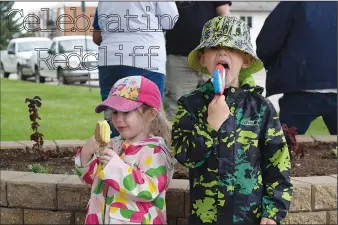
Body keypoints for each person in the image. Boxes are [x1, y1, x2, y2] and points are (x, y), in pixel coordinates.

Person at [171, 16, 293, 225]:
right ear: (202, 59)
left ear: (246, 60)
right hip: (205, 218)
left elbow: (277, 163)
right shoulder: (190, 105)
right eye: (214, 47)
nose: (222, 51)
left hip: (248, 217)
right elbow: (184, 156)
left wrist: (272, 211)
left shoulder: (261, 108)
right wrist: (210, 125)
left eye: (232, 47)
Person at [75, 76, 174, 224]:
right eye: (114, 112)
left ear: (150, 114)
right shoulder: (113, 144)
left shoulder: (155, 151)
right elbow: (89, 178)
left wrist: (115, 167)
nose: (118, 119)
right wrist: (86, 154)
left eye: (126, 112)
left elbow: (149, 189)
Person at [92, 2, 179, 137]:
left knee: (114, 117)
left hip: (110, 59)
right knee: (148, 120)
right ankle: (146, 157)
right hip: (145, 57)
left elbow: (97, 36)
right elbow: (169, 20)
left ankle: (113, 155)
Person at [256, 2, 337, 135]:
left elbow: (266, 45)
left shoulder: (293, 3)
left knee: (282, 149)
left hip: (301, 86)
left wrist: (275, 66)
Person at [164, 1, 232, 121]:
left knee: (215, 101)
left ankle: (211, 138)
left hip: (209, 55)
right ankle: (178, 139)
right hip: (178, 55)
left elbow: (224, 14)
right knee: (178, 105)